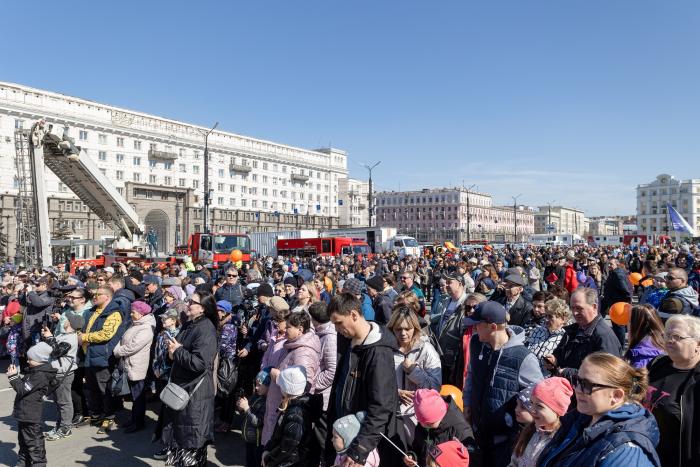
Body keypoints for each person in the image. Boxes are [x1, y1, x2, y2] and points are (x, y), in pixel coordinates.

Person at [538, 352, 661, 466]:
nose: (577, 389)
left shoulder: (626, 452)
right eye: (577, 381)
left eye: (586, 385)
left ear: (616, 396)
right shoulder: (579, 420)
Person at [326, 293, 404, 467]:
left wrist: (360, 449)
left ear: (353, 315)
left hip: (364, 445)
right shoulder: (347, 340)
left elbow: (381, 407)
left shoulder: (378, 352)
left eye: (339, 323)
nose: (337, 329)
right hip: (344, 434)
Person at [462, 301, 544, 467]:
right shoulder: (477, 343)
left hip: (505, 442)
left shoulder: (523, 357)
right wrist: (467, 403)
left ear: (492, 327)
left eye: (477, 325)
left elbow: (538, 395)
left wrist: (518, 422)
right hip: (478, 433)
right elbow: (471, 374)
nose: (474, 329)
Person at [160, 292, 218, 466]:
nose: (187, 303)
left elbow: (200, 363)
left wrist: (177, 351)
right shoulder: (189, 324)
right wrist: (171, 351)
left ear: (202, 308)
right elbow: (178, 351)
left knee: (191, 445)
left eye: (192, 301)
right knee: (179, 441)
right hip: (182, 390)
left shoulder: (206, 328)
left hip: (195, 395)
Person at [646, 314, 700, 467]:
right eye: (667, 335)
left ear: (698, 344)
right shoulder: (658, 364)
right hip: (648, 451)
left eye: (677, 336)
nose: (669, 340)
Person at [263, 310, 321, 445]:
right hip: (278, 406)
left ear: (300, 329)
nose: (285, 329)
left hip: (285, 411)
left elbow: (302, 386)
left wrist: (278, 377)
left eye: (288, 327)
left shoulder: (304, 352)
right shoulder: (293, 345)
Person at [544, 288, 622, 381]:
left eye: (579, 308)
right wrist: (555, 359)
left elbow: (606, 373)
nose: (575, 313)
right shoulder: (573, 330)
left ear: (594, 307)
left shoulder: (604, 336)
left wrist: (568, 373)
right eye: (572, 308)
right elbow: (561, 353)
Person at [388, 307, 441, 443]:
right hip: (391, 414)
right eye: (398, 329)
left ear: (415, 328)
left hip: (417, 418)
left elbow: (435, 388)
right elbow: (378, 382)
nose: (403, 333)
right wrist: (396, 392)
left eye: (407, 328)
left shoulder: (426, 350)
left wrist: (413, 371)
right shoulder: (386, 350)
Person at [82, 286, 127, 434]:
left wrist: (84, 338)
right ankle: (95, 415)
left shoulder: (114, 313)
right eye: (94, 293)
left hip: (103, 356)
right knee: (91, 388)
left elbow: (106, 334)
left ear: (107, 297)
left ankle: (109, 417)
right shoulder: (92, 311)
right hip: (89, 353)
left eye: (98, 294)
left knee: (105, 389)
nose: (94, 296)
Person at [7, 341, 58, 467]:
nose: (28, 361)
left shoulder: (39, 375)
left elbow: (22, 389)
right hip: (24, 412)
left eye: (31, 359)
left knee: (34, 442)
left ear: (40, 360)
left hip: (31, 414)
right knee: (23, 441)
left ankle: (39, 463)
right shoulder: (34, 372)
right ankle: (23, 462)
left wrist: (13, 377)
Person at [508, 377, 573, 467]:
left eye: (539, 406)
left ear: (557, 411)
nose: (532, 410)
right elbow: (514, 461)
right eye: (531, 403)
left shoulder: (561, 441)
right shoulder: (530, 431)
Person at [113, 300, 156, 433]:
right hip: (130, 363)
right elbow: (123, 340)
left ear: (142, 313)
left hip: (137, 365)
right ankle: (134, 419)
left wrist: (118, 351)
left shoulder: (146, 328)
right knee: (134, 395)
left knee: (138, 397)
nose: (131, 314)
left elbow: (134, 346)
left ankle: (138, 422)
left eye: (134, 312)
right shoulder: (137, 323)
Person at [262, 365, 316, 467]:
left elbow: (287, 448)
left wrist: (268, 460)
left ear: (286, 389)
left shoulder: (296, 414)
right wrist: (268, 450)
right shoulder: (291, 405)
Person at [42, 312, 82, 441]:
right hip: (57, 372)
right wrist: (50, 336)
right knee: (58, 401)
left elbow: (57, 352)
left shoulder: (70, 338)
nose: (63, 320)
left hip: (64, 374)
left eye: (66, 319)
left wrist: (50, 338)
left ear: (69, 324)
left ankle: (65, 428)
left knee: (64, 402)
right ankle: (60, 425)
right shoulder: (65, 335)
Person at [406, 388, 470, 467]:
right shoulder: (423, 426)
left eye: (429, 424)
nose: (425, 426)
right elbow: (418, 447)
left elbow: (469, 458)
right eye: (421, 423)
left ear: (440, 414)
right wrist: (413, 456)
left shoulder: (459, 428)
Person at [436, 271, 469, 385]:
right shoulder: (446, 301)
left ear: (460, 283)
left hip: (456, 358)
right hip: (442, 353)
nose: (446, 285)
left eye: (449, 282)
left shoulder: (467, 305)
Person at [525, 298, 570, 375]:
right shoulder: (537, 331)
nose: (546, 319)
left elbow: (563, 366)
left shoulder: (566, 338)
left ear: (563, 319)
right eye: (545, 315)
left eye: (550, 316)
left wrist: (554, 365)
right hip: (526, 374)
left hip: (545, 381)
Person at [238, 369, 271, 467]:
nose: (256, 387)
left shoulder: (267, 403)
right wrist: (241, 409)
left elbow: (258, 422)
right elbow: (247, 416)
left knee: (255, 463)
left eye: (260, 385)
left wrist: (247, 409)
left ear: (268, 386)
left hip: (257, 442)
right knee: (249, 461)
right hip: (249, 440)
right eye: (256, 384)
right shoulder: (255, 397)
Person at [601, 258, 634, 347]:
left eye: (611, 264)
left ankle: (620, 345)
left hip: (618, 303)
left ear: (617, 264)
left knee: (618, 325)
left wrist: (627, 299)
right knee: (619, 325)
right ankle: (619, 344)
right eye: (608, 264)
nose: (609, 266)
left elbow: (624, 288)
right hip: (616, 302)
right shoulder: (617, 272)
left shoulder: (617, 273)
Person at [625, 304, 665, 369]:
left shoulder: (639, 358)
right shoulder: (664, 343)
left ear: (635, 325)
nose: (627, 324)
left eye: (629, 321)